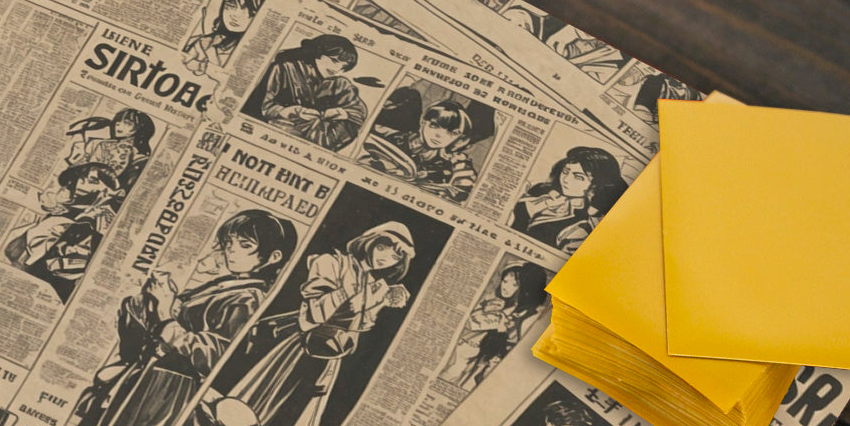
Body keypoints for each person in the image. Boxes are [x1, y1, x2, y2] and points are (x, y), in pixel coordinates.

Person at [179, 222, 414, 426]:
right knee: (254, 408)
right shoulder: (331, 263)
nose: (387, 257)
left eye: (396, 255)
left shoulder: (371, 282)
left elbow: (357, 327)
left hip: (329, 357)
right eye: (383, 246)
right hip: (299, 350)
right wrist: (351, 294)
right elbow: (311, 316)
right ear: (369, 240)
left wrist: (380, 301)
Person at [77, 209, 297, 426]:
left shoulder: (248, 298)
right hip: (151, 375)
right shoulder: (223, 285)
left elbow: (214, 355)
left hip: (170, 387)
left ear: (273, 257)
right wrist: (151, 301)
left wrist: (164, 312)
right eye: (228, 243)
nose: (231, 251)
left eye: (245, 245)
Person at [4, 162, 124, 302]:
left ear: (108, 192)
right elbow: (17, 251)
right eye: (81, 178)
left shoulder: (98, 220)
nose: (81, 183)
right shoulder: (62, 213)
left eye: (93, 181)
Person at [360, 89, 492, 203]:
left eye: (452, 132)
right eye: (434, 125)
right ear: (423, 122)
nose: (439, 135)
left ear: (459, 137)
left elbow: (462, 191)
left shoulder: (455, 161)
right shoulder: (397, 137)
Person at [246, 35, 368, 152]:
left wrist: (343, 113)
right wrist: (293, 112)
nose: (337, 69)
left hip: (317, 140)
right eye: (334, 61)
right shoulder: (285, 68)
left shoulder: (340, 83)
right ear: (317, 53)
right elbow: (263, 105)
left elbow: (357, 110)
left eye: (344, 67)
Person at [443, 262, 549, 388]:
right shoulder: (497, 304)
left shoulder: (529, 317)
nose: (506, 287)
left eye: (515, 285)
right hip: (472, 356)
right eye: (505, 281)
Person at [512, 146, 627, 251]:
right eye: (566, 171)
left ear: (597, 185)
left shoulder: (582, 223)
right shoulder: (540, 189)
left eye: (578, 177)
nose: (565, 179)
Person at [184, 0, 275, 73]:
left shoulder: (258, 57)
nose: (235, 15)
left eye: (250, 11)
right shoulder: (198, 41)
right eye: (231, 6)